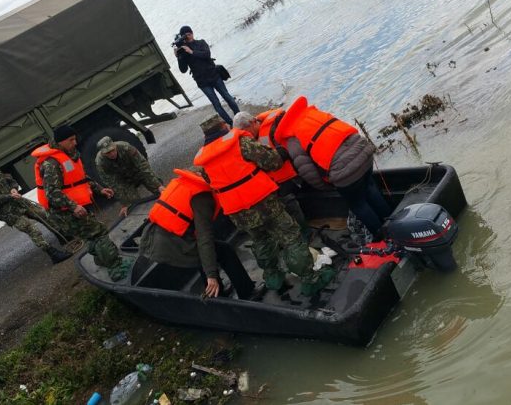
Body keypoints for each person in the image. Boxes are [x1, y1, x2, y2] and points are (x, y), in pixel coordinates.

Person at [192, 115, 335, 297]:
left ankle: (273, 277)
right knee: (291, 237)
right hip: (263, 203)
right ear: (223, 127)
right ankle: (310, 280)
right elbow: (272, 162)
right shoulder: (241, 143)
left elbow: (212, 182)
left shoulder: (203, 162)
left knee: (261, 241)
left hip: (238, 212)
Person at [271, 96, 392, 236]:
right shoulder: (312, 115)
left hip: (344, 172)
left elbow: (309, 173)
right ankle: (392, 222)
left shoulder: (292, 140)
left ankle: (383, 236)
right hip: (364, 151)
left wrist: (327, 186)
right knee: (370, 188)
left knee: (358, 204)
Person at [139, 168, 255, 299]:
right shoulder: (202, 198)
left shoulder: (185, 182)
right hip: (169, 246)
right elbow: (204, 238)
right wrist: (211, 275)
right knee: (223, 251)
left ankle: (218, 294)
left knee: (203, 252)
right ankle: (248, 293)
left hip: (152, 238)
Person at [32, 126, 129, 280]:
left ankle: (101, 259)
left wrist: (100, 189)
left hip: (72, 206)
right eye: (71, 140)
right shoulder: (51, 164)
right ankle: (116, 268)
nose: (75, 142)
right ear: (60, 141)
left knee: (91, 235)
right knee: (99, 232)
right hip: (64, 211)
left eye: (75, 139)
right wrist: (73, 206)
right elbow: (52, 194)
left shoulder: (67, 155)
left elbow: (80, 178)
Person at [0, 151, 72, 264]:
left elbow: (10, 180)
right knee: (33, 230)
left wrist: (14, 188)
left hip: (20, 202)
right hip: (10, 213)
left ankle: (62, 236)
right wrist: (9, 196)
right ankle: (53, 254)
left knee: (44, 214)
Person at [233, 111, 310, 237]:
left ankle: (306, 234)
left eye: (245, 132)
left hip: (291, 175)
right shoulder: (248, 142)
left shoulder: (273, 129)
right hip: (273, 181)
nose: (245, 136)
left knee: (288, 202)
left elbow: (287, 150)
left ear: (253, 123)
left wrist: (268, 159)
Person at [174, 25, 239, 124]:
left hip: (214, 76)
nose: (188, 37)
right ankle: (230, 123)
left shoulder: (201, 43)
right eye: (185, 36)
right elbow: (183, 70)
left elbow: (206, 55)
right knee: (216, 104)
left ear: (192, 33)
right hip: (202, 82)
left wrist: (191, 51)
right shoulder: (183, 51)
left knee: (227, 97)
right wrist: (178, 57)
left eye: (189, 34)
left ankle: (239, 117)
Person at [93, 137, 164, 217]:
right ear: (103, 153)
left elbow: (143, 166)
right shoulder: (100, 163)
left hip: (139, 173)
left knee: (161, 192)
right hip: (125, 182)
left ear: (115, 146)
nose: (112, 154)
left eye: (113, 150)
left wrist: (158, 185)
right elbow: (113, 184)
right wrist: (124, 203)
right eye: (108, 153)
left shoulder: (125, 147)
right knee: (135, 206)